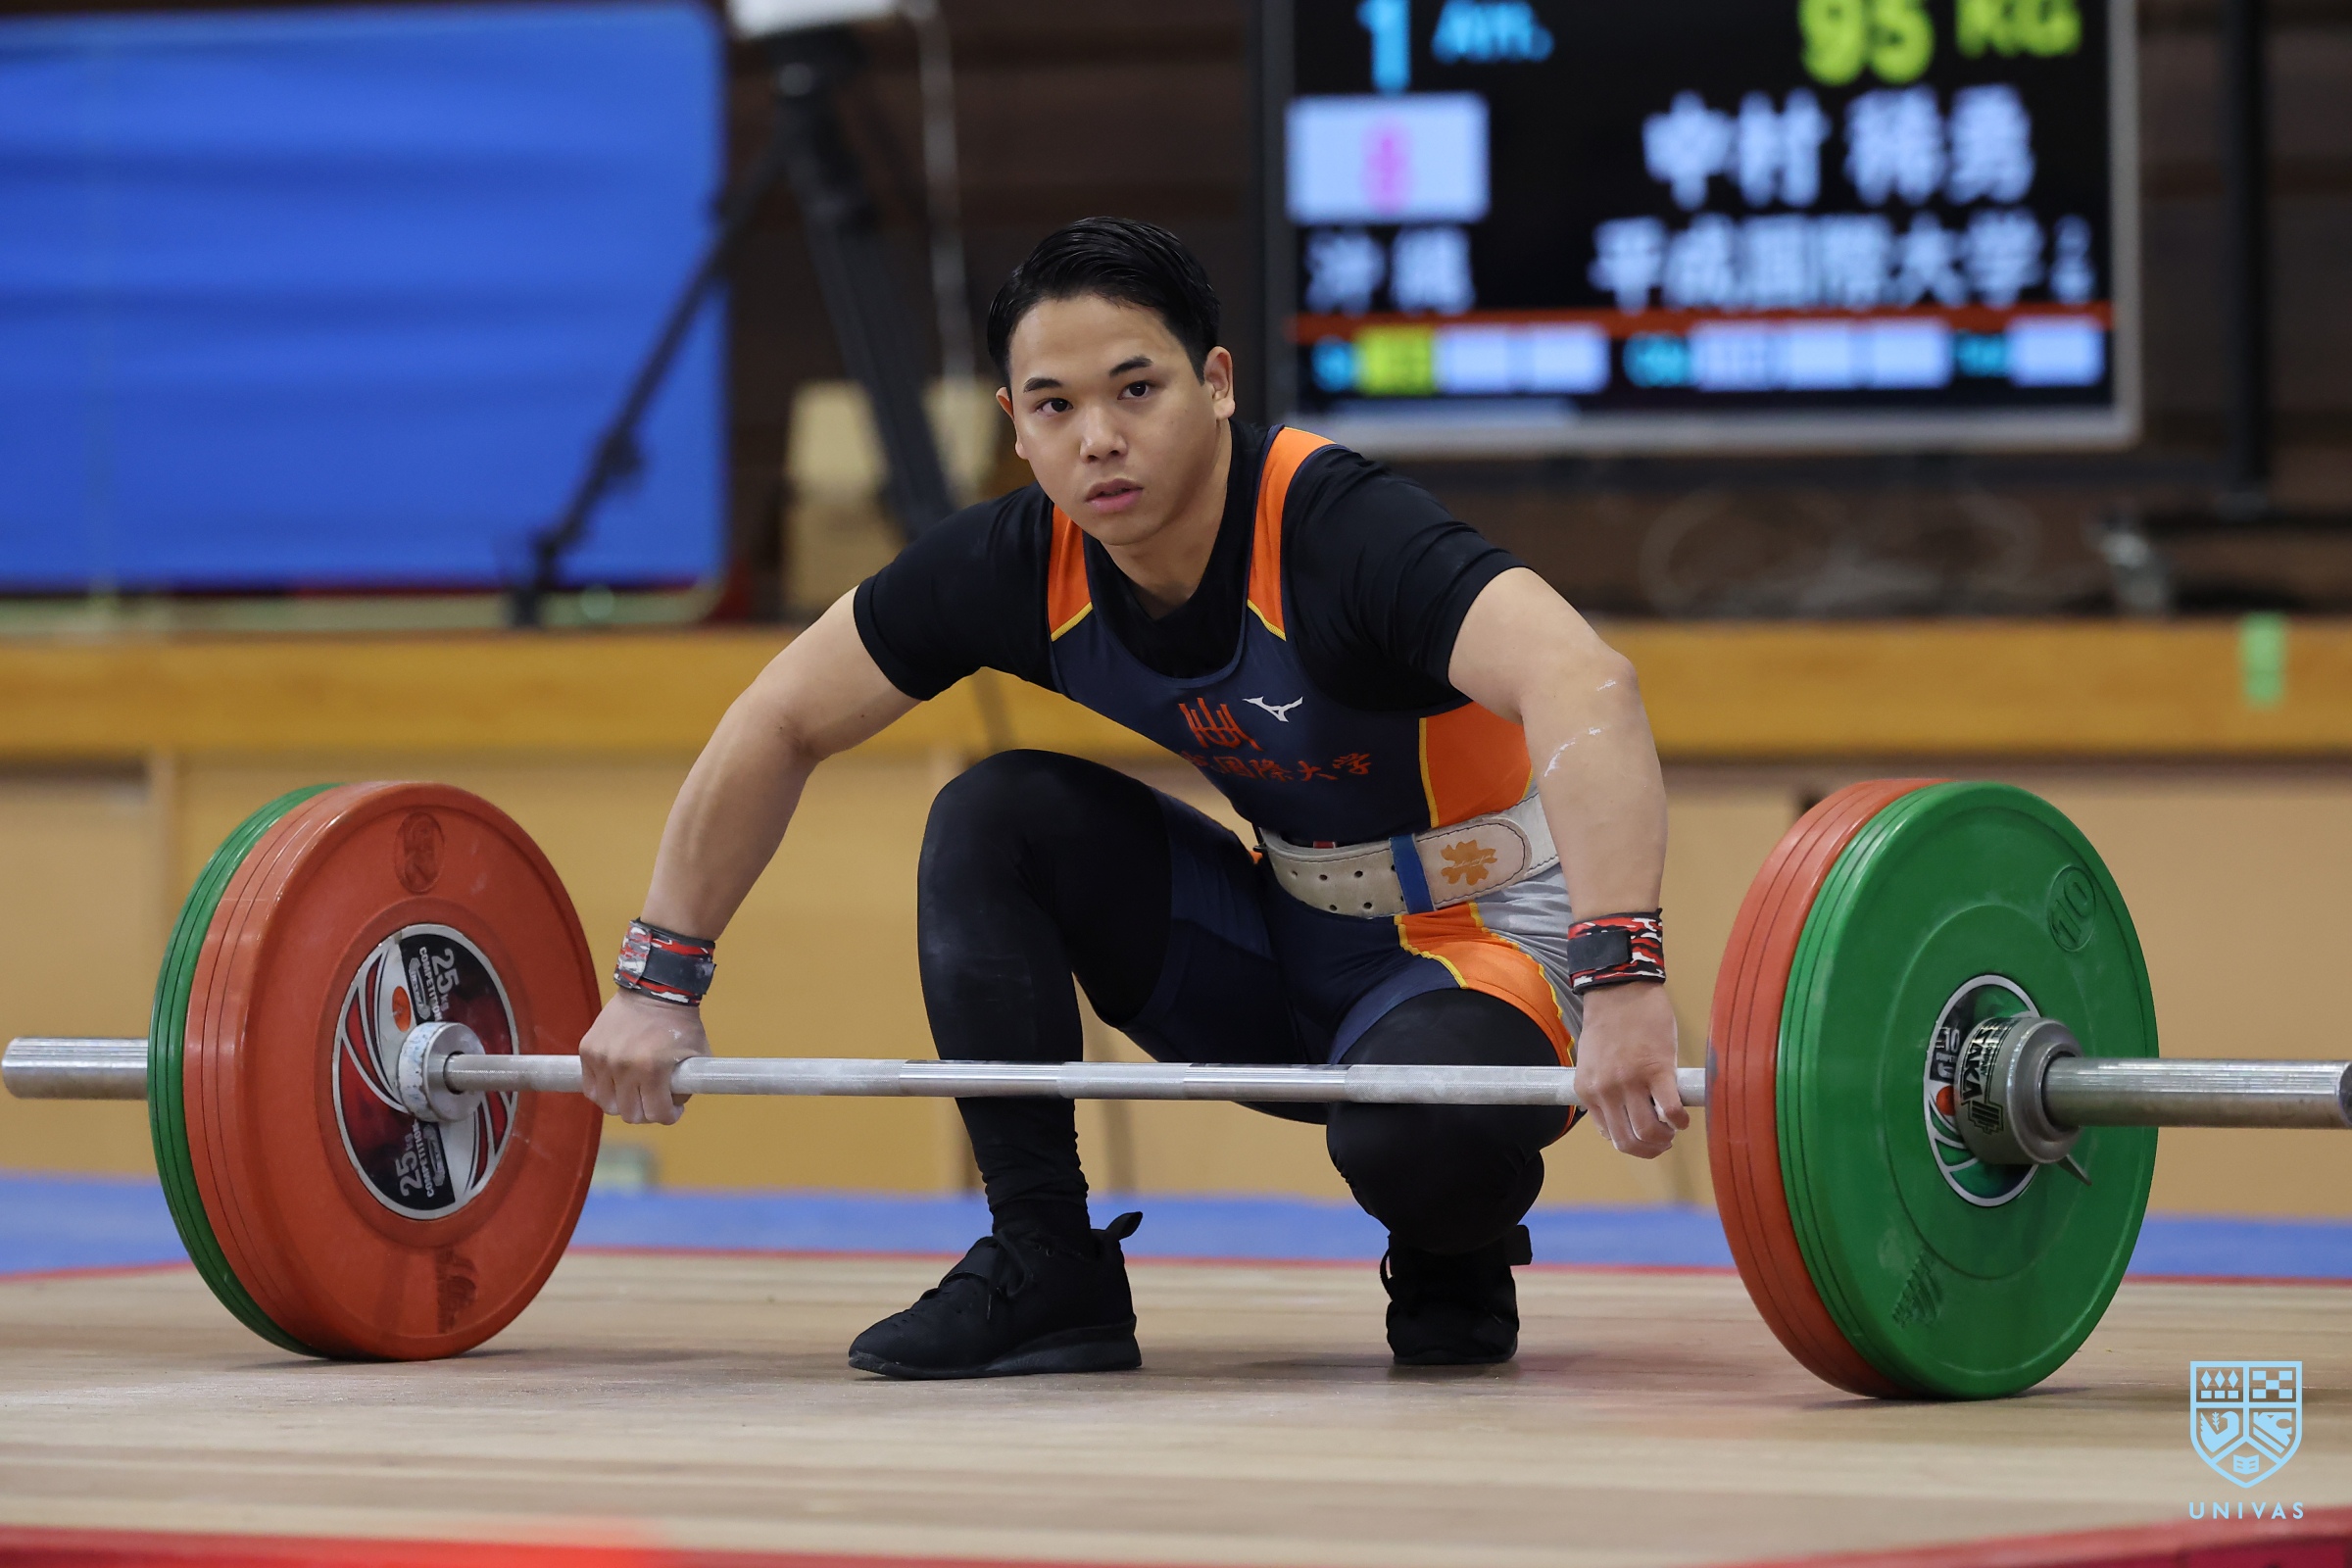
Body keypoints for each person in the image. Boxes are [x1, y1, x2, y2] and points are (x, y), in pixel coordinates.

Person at [578, 218, 1684, 1380]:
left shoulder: (1339, 528)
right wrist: (658, 982)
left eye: (1136, 388)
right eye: (1054, 406)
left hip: (1489, 944)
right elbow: (779, 717)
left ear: (1217, 384)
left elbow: (1585, 681)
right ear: (1015, 427)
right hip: (1286, 938)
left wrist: (1623, 976)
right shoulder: (1021, 561)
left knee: (1412, 1142)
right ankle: (1048, 1260)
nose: (1098, 437)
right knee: (996, 815)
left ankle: (1450, 1234)